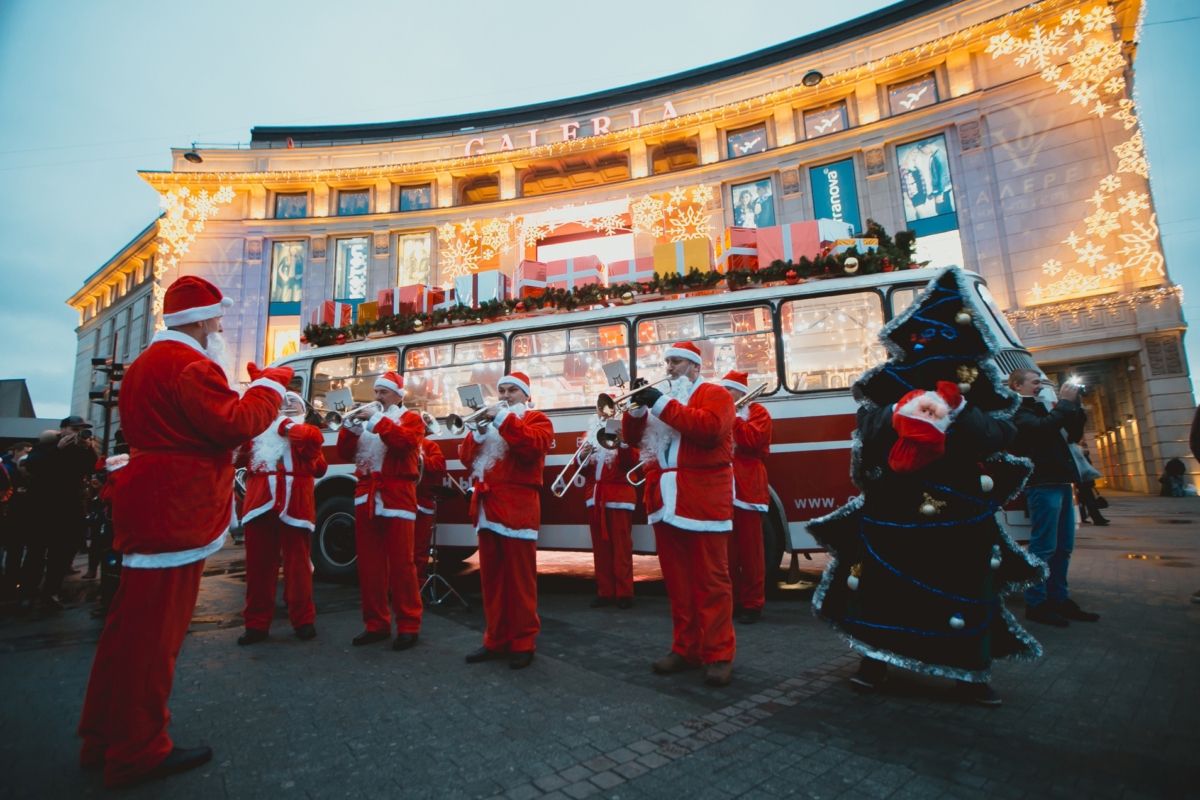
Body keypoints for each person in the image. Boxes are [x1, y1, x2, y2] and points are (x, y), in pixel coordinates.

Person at [77, 275, 291, 788]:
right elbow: (234, 422)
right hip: (174, 508)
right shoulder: (191, 363)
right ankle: (137, 750)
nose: (221, 324)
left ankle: (102, 736)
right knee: (155, 639)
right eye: (217, 316)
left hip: (149, 504)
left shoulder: (147, 364)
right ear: (198, 319)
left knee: (126, 630)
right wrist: (271, 385)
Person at [622, 342, 737, 687]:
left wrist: (657, 402)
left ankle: (718, 654)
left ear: (695, 367)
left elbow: (709, 430)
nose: (668, 367)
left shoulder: (715, 394)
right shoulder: (664, 402)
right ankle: (686, 647)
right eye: (667, 361)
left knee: (712, 581)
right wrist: (637, 409)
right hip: (665, 501)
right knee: (677, 582)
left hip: (702, 499)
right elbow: (631, 440)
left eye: (676, 362)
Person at [459, 372, 554, 670]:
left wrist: (501, 420)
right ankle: (496, 639)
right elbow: (465, 458)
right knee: (492, 581)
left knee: (520, 581)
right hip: (488, 508)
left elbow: (533, 446)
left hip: (518, 508)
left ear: (526, 395)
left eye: (512, 391)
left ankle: (524, 642)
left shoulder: (536, 418)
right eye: (501, 391)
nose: (505, 396)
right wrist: (478, 432)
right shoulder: (492, 423)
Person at [335, 371, 426, 651]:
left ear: (399, 395)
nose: (376, 397)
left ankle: (409, 624)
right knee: (369, 566)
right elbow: (344, 454)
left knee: (402, 566)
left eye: (383, 392)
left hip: (397, 496)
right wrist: (349, 428)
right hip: (366, 496)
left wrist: (375, 420)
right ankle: (376, 623)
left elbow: (405, 444)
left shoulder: (411, 419)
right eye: (375, 392)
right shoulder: (367, 424)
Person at [1009, 369, 1100, 627]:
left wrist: (1075, 406)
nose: (1040, 385)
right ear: (1017, 385)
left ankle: (1058, 599)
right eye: (1035, 382)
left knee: (1063, 548)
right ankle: (1036, 604)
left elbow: (1073, 433)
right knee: (1043, 548)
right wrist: (1063, 404)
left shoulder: (1044, 407)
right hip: (1041, 483)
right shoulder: (1016, 409)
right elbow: (1042, 430)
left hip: (1060, 482)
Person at [236, 391, 328, 645]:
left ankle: (303, 620)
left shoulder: (305, 431)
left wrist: (284, 425)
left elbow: (319, 463)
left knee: (297, 567)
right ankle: (256, 624)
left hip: (294, 505)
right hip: (259, 503)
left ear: (304, 411)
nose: (287, 405)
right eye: (282, 403)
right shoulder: (259, 433)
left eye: (294, 402)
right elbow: (237, 457)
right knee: (258, 568)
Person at [22, 416, 99, 610]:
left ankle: (51, 593)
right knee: (36, 554)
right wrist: (58, 449)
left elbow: (94, 468)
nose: (77, 433)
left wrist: (88, 447)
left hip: (70, 509)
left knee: (62, 554)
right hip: (42, 508)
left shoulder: (81, 449)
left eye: (81, 429)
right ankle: (27, 593)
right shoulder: (45, 446)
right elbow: (34, 466)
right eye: (74, 429)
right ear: (62, 429)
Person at [720, 371, 772, 625]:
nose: (726, 396)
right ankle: (735, 600)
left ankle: (753, 603)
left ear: (740, 393)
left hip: (749, 485)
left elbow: (752, 439)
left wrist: (734, 419)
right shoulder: (724, 413)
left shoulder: (758, 412)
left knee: (752, 552)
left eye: (729, 392)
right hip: (725, 487)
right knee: (728, 551)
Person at [580, 411, 639, 609]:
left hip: (619, 495)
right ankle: (605, 592)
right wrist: (582, 457)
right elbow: (583, 471)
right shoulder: (588, 435)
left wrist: (624, 442)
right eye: (601, 409)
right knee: (600, 549)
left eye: (610, 410)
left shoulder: (627, 435)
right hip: (595, 496)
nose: (604, 413)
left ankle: (624, 593)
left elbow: (630, 463)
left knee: (622, 548)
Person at [413, 436, 448, 579]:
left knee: (420, 547)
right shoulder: (396, 442)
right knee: (398, 549)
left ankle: (418, 585)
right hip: (401, 501)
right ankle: (395, 586)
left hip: (423, 501)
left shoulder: (429, 445)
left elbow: (440, 465)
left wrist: (420, 459)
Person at [1075, 442, 1109, 526]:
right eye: (1083, 448)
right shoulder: (1080, 458)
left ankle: (1090, 518)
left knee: (1085, 502)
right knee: (1089, 502)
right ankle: (1097, 519)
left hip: (1086, 483)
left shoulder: (1085, 457)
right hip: (1083, 484)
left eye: (1085, 448)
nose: (1085, 450)